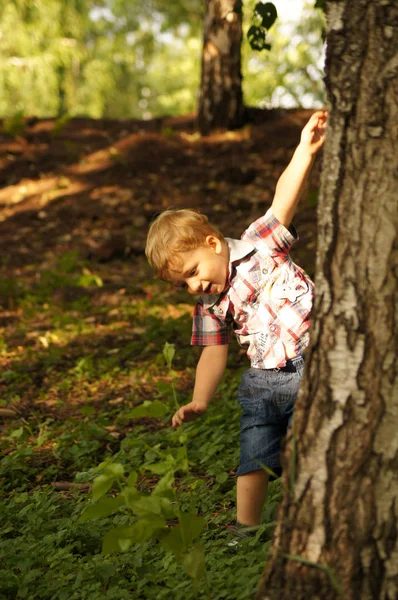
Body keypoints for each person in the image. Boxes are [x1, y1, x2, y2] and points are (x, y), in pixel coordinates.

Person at [145, 111, 327, 536]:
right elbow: (213, 352)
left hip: (318, 354)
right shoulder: (210, 304)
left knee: (317, 437)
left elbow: (283, 198)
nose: (192, 286)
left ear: (212, 243)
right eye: (182, 283)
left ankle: (315, 508)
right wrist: (200, 399)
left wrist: (305, 150)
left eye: (191, 271)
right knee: (255, 448)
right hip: (266, 378)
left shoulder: (260, 244)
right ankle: (245, 529)